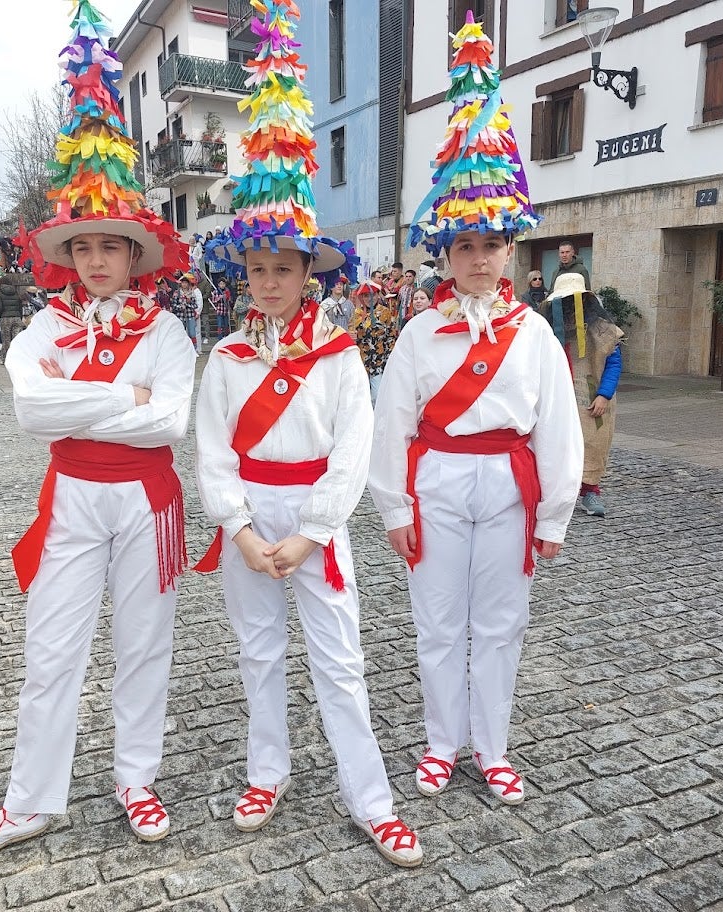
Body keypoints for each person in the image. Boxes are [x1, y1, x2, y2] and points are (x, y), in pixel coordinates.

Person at [0, 3, 193, 863]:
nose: (95, 260)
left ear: (134, 255)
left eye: (110, 247)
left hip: (149, 503)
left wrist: (83, 398)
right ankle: (30, 803)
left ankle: (136, 780)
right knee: (51, 653)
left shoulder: (168, 331)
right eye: (82, 247)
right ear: (68, 257)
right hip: (74, 498)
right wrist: (122, 398)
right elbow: (30, 412)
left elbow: (173, 420)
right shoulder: (44, 327)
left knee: (144, 648)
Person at [196, 0, 422, 868]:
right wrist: (240, 528)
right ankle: (269, 770)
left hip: (315, 524)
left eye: (281, 268)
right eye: (256, 268)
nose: (267, 282)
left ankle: (371, 798)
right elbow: (212, 448)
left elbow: (353, 449)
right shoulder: (225, 358)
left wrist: (313, 531)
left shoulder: (337, 356)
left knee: (340, 660)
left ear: (307, 272)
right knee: (258, 654)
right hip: (250, 518)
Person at [368, 11, 580, 810]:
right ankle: (440, 742)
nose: (481, 258)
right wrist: (394, 505)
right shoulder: (420, 333)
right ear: (447, 254)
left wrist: (554, 513)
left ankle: (491, 748)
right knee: (436, 623)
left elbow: (557, 425)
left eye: (492, 244)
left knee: (500, 624)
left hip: (509, 488)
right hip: (438, 484)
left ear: (510, 249)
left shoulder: (534, 333)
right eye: (466, 246)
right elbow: (393, 422)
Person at [539, 273, 624, 517]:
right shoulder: (545, 330)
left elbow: (614, 362)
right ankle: (554, 494)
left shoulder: (603, 330)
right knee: (553, 445)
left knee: (592, 442)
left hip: (590, 397)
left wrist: (604, 394)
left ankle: (590, 491)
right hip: (555, 398)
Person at [172, 272, 202, 350]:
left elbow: (195, 305)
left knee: (192, 333)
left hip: (190, 315)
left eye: (186, 283)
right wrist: (180, 307)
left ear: (188, 284)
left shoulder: (192, 293)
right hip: (180, 316)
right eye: (183, 283)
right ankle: (182, 349)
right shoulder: (177, 293)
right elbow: (174, 305)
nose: (184, 284)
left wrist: (188, 304)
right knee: (181, 333)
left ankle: (193, 348)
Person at [0, 279, 26, 350]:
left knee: (6, 340)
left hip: (5, 318)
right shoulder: (16, 291)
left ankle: (7, 356)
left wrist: (1, 313)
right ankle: (17, 355)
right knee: (17, 339)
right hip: (17, 317)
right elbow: (20, 306)